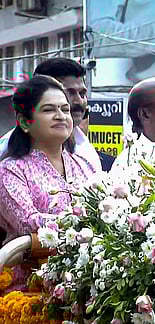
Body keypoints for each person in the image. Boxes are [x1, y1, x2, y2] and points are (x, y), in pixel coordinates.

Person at [0, 76, 95, 290]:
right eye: (49, 110)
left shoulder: (85, 166)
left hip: (86, 286)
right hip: (30, 291)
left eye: (65, 109)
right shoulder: (11, 170)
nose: (61, 116)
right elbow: (27, 224)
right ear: (25, 122)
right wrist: (82, 223)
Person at [0, 58, 102, 172]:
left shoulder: (85, 152)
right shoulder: (10, 164)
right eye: (70, 93)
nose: (79, 101)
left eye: (82, 93)